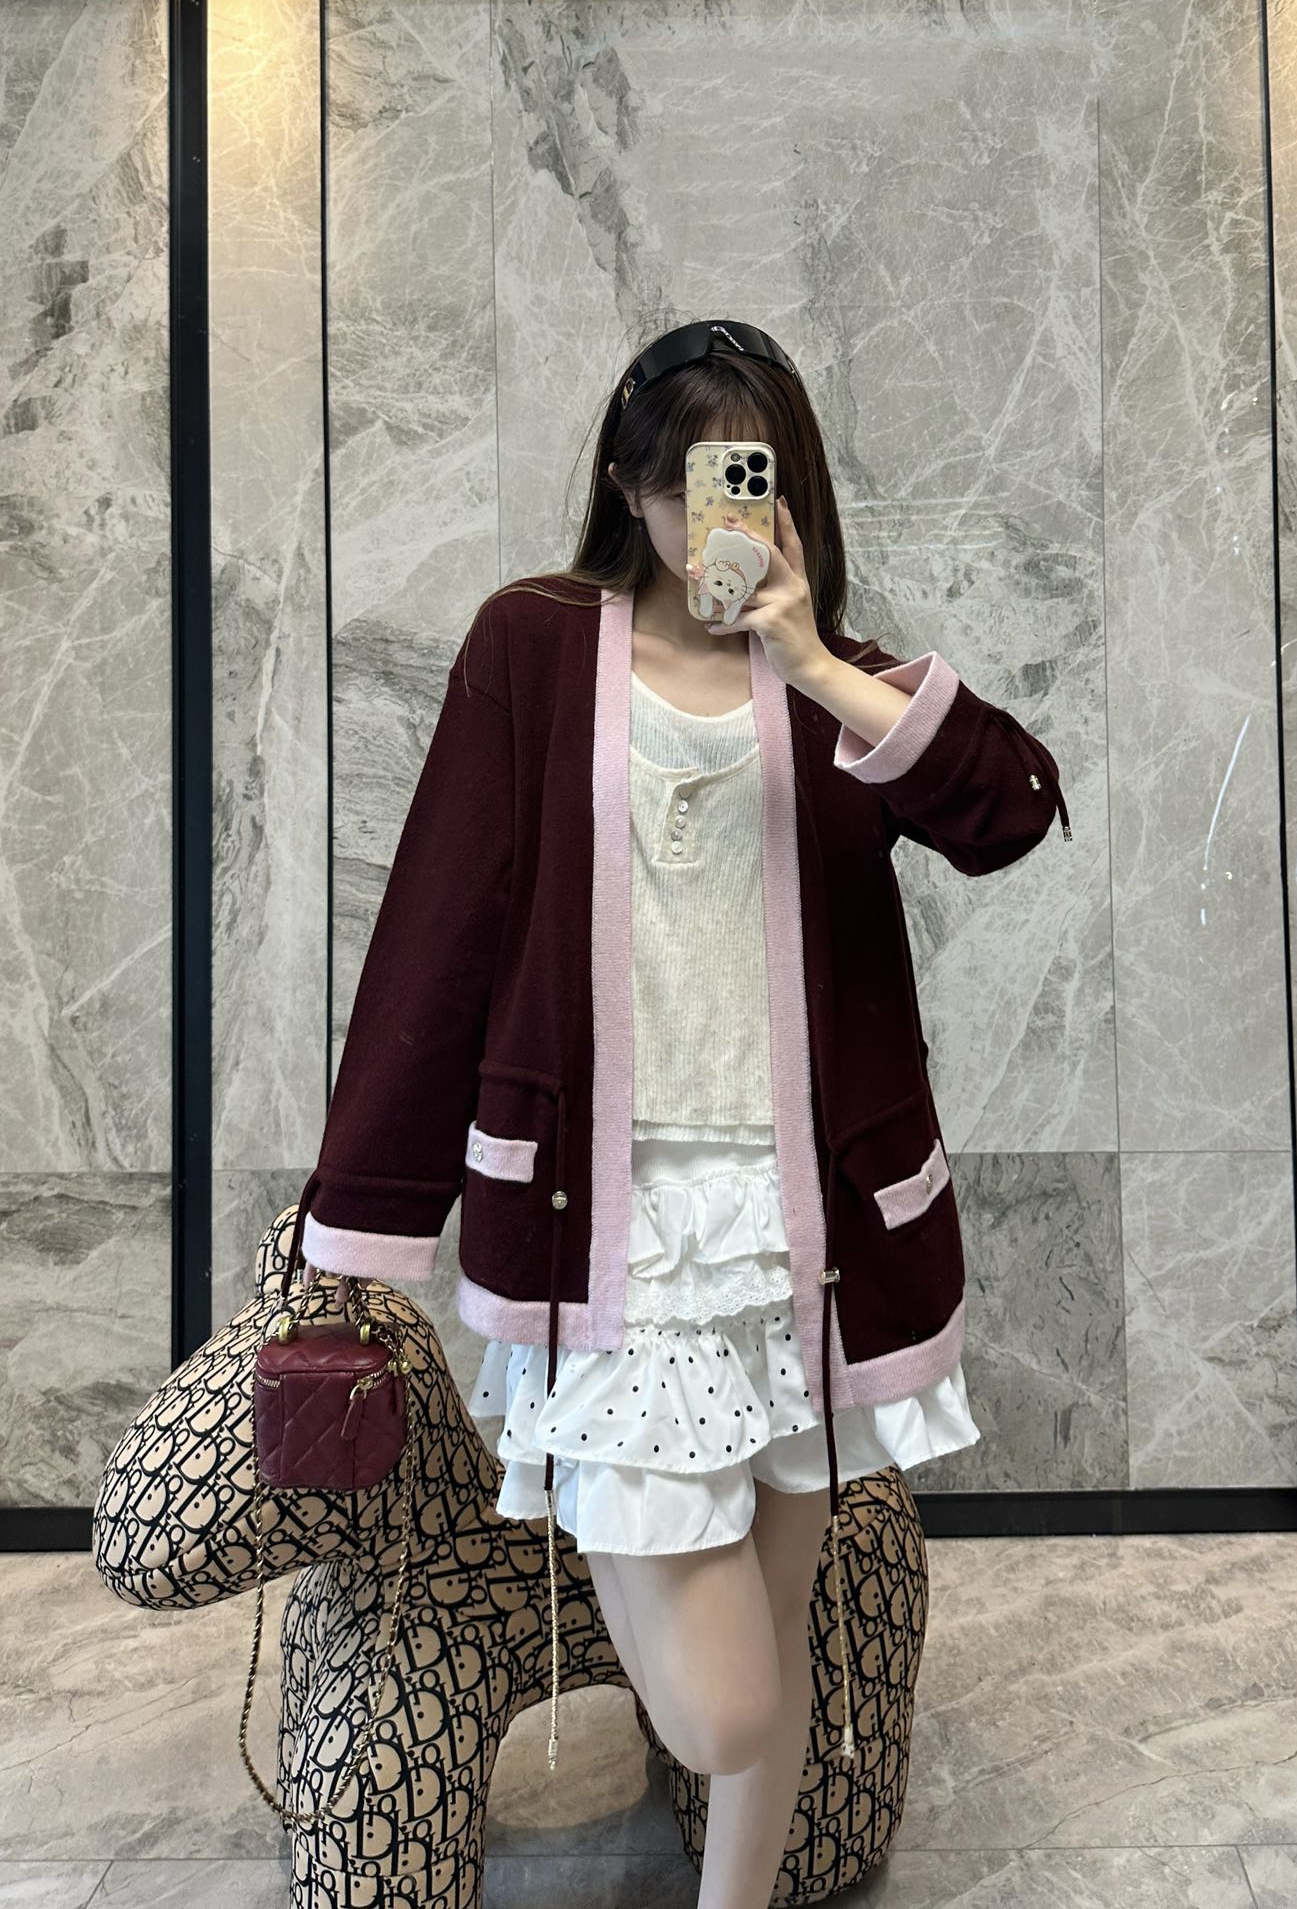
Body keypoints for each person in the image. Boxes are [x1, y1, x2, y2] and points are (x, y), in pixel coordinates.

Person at [295, 319, 1070, 1907]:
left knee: (775, 1627)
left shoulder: (835, 680)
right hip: (609, 1228)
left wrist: (815, 664)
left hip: (805, 1231)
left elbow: (1014, 811)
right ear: (627, 484)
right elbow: (437, 926)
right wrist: (363, 1225)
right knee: (726, 1703)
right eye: (685, 487)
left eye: (750, 481)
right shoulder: (530, 647)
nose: (716, 518)